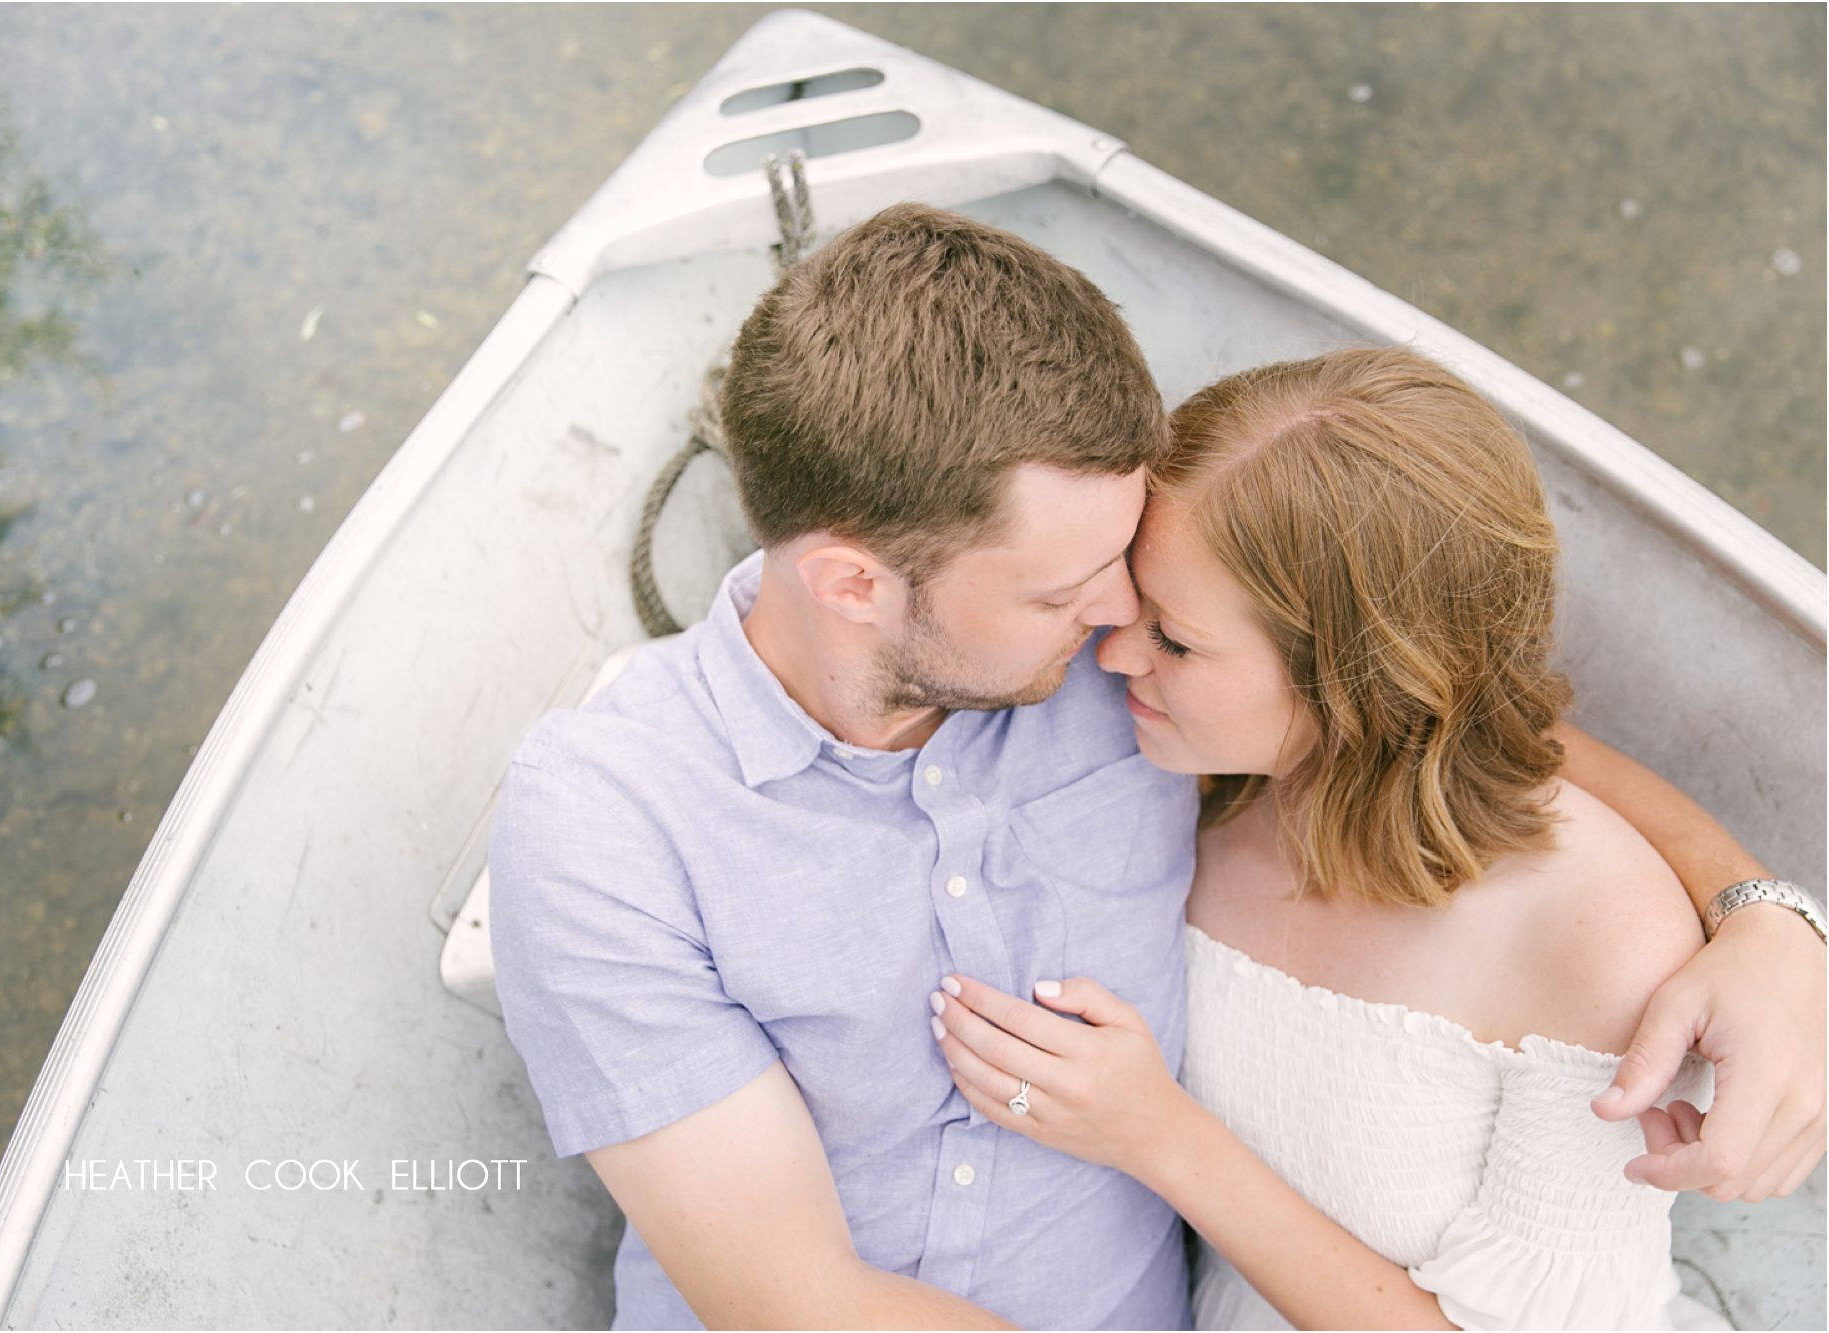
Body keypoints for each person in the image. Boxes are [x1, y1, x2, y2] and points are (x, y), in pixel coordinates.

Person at [487, 204, 1823, 1330]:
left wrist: (1769, 919)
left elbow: (1444, 724)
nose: (1120, 622)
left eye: (1143, 584)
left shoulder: (1135, 683)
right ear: (855, 583)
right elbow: (794, 1300)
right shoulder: (605, 826)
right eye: (1073, 589)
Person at [929, 347, 1823, 1329]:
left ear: (1352, 681)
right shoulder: (1204, 762)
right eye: (1131, 603)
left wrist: (1155, 1134)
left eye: (1173, 639)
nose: (1110, 652)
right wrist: (1770, 913)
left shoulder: (1591, 944)